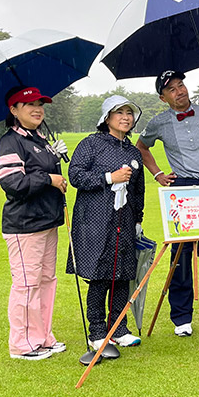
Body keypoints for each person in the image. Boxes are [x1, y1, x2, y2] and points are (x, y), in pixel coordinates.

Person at [136, 70, 199, 335]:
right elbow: (141, 147)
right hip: (182, 189)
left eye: (181, 85)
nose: (179, 91)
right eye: (172, 89)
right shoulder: (158, 122)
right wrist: (157, 173)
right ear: (162, 97)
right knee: (181, 254)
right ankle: (181, 317)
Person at [66, 95, 145, 349]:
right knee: (100, 277)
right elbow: (76, 175)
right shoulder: (91, 144)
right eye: (119, 112)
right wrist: (110, 177)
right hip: (95, 221)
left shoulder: (133, 152)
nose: (126, 117)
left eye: (129, 113)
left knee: (122, 276)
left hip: (125, 220)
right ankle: (97, 331)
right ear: (107, 118)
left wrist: (138, 220)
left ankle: (119, 327)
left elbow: (138, 191)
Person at [0, 86, 68, 361]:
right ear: (14, 110)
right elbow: (12, 183)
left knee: (46, 281)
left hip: (47, 221)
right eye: (29, 105)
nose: (37, 109)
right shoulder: (10, 141)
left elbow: (43, 173)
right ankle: (23, 344)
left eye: (40, 104)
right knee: (27, 284)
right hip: (25, 225)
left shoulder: (39, 139)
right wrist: (49, 178)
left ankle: (42, 337)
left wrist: (55, 161)